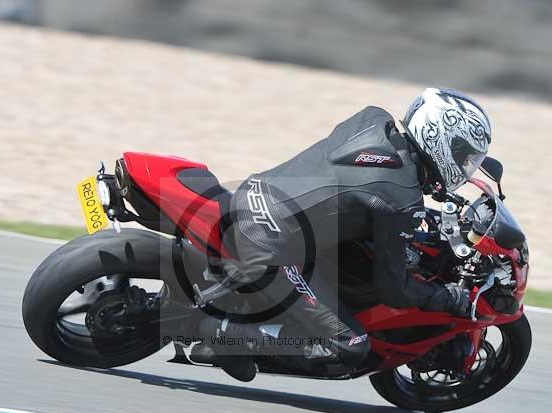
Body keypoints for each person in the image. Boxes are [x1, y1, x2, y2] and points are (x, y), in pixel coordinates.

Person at [205, 87, 493, 382]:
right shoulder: (402, 198)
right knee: (349, 347)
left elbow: (359, 190)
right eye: (463, 157)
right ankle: (231, 334)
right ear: (439, 140)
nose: (464, 168)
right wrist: (447, 298)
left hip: (253, 193)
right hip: (271, 246)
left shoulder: (373, 120)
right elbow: (394, 291)